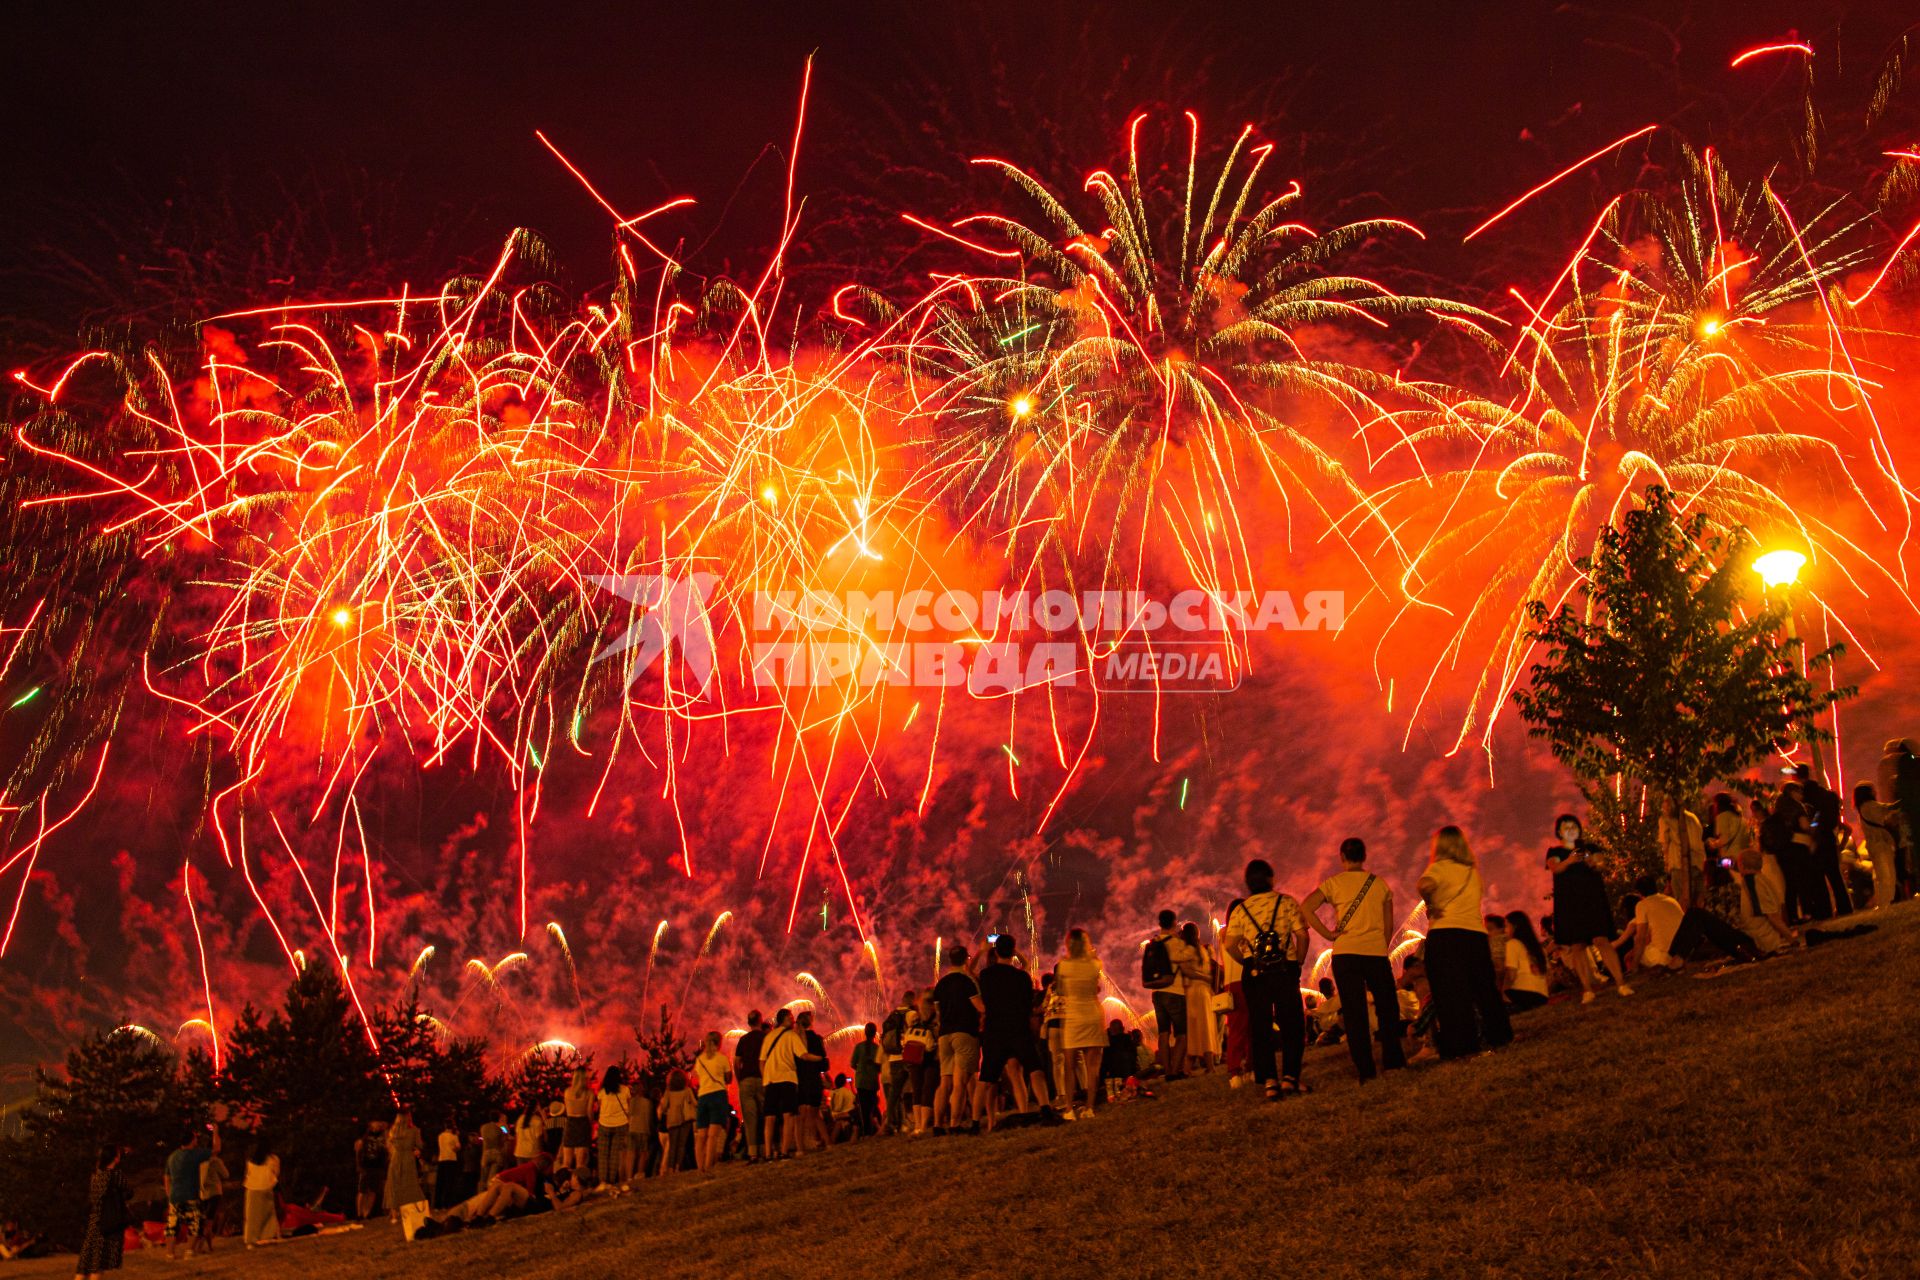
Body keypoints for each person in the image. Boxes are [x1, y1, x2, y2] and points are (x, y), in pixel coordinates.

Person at [1302, 837, 1406, 1082]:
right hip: (1375, 953)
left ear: (1342, 857)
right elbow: (1388, 923)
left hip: (1346, 954)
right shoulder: (1379, 885)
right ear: (1364, 856)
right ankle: (1393, 1061)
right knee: (1387, 1008)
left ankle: (1365, 1069)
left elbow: (1306, 907)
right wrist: (1382, 945)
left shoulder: (1334, 883)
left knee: (1354, 1012)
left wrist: (1328, 934)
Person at [1419, 826, 1514, 1058]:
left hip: (1446, 936)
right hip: (1476, 935)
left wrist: (1430, 903)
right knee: (1485, 990)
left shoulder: (1438, 868)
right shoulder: (1473, 873)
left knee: (1452, 995)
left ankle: (1462, 1046)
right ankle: (1500, 1037)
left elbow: (1424, 885)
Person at [1222, 858, 1309, 1100]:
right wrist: (1298, 961)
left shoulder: (1240, 910)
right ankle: (1291, 1077)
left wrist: (1246, 960)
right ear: (1271, 879)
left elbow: (1229, 944)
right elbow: (1302, 935)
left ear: (1248, 883)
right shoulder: (1286, 902)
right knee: (1292, 1024)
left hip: (1254, 972)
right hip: (1285, 969)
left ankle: (1270, 1081)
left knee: (1260, 1027)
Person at [1544, 814, 1634, 1003]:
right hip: (1570, 903)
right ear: (1559, 832)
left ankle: (1621, 983)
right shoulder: (1554, 852)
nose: (1571, 830)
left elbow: (1601, 865)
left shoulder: (1590, 848)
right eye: (1566, 827)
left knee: (1602, 940)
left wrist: (1591, 861)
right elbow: (1555, 868)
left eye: (1574, 826)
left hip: (1592, 899)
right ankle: (1587, 989)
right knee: (1577, 945)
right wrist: (1570, 860)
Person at [973, 933, 1055, 1128]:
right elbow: (1027, 1000)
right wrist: (1015, 951)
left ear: (995, 951)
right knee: (1034, 1069)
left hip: (995, 1031)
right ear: (1012, 951)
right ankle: (1045, 1109)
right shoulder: (1021, 977)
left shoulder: (986, 975)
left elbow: (970, 971)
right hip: (1018, 1029)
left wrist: (982, 951)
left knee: (985, 1079)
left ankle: (975, 1122)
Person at [1620, 875, 1766, 968]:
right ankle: (1744, 944)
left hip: (1670, 952)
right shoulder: (1669, 899)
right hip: (1685, 946)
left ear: (1640, 893)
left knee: (1695, 914)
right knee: (1695, 914)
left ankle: (1678, 960)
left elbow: (1640, 939)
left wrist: (1633, 965)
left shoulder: (1642, 905)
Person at [1054, 928, 1107, 1119]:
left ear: (1068, 944)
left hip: (1073, 1015)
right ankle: (1090, 1107)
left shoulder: (1063, 966)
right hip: (1092, 1014)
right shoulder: (1095, 964)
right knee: (1092, 1066)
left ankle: (1069, 1109)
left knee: (1069, 1066)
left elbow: (1060, 990)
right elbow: (1095, 987)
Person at [931, 946, 985, 1133]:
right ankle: (954, 1124)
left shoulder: (940, 984)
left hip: (945, 1035)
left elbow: (938, 1014)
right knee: (960, 1082)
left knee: (944, 1082)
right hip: (964, 1033)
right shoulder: (967, 981)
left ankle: (937, 1125)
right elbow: (980, 1007)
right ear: (966, 959)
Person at [759, 1007, 818, 1158]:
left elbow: (762, 1062)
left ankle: (767, 1154)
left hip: (770, 1080)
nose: (793, 1020)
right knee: (788, 1116)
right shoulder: (791, 1035)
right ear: (785, 1018)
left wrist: (765, 1079)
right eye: (791, 1017)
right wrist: (819, 1058)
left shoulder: (769, 1036)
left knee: (769, 1117)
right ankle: (784, 1152)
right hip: (787, 1078)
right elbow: (803, 1055)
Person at [1142, 909, 1193, 1079]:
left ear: (1159, 923)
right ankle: (1174, 1071)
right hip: (1175, 991)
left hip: (1157, 992)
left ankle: (1166, 1069)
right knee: (1182, 1033)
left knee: (1163, 1033)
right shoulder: (1177, 943)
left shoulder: (1153, 943)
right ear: (1174, 922)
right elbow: (1186, 967)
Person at [1797, 765, 1850, 919]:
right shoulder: (1827, 794)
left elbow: (1815, 817)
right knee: (1835, 877)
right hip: (1829, 838)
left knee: (1818, 879)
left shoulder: (1806, 797)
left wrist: (1812, 830)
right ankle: (1844, 907)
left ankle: (1824, 911)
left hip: (1816, 841)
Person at [75, 1144, 129, 1279]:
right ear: (115, 1158)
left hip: (94, 1222)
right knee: (97, 1265)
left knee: (85, 1264)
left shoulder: (96, 1176)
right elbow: (128, 1193)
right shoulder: (116, 1175)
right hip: (108, 1223)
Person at [163, 1127, 215, 1260]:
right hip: (190, 1195)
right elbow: (217, 1150)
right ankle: (189, 1251)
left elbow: (167, 1177)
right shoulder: (194, 1154)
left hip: (175, 1196)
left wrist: (169, 1194)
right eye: (196, 1138)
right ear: (192, 1140)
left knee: (172, 1225)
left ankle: (170, 1253)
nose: (197, 1139)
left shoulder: (172, 1156)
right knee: (194, 1223)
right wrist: (217, 1132)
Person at [1217, 900, 1251, 1086]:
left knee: (1236, 1030)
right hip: (1245, 981)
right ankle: (1249, 1068)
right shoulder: (1243, 930)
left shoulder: (1223, 933)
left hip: (1230, 985)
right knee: (1252, 1027)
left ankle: (1234, 1071)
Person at [1178, 920, 1217, 1072]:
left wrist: (1201, 977)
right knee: (1206, 1026)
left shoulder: (1187, 951)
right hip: (1205, 992)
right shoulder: (1203, 950)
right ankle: (1208, 1065)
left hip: (1194, 991)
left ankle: (1193, 1067)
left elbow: (1186, 971)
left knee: (1195, 1028)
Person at [1856, 783, 1901, 910]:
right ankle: (1886, 902)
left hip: (1874, 845)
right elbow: (1888, 809)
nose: (1875, 792)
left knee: (1880, 875)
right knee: (1886, 874)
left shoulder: (1862, 808)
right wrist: (1904, 800)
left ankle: (1883, 902)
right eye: (1872, 790)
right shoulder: (1870, 806)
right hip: (1880, 844)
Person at [693, 1031, 733, 1172]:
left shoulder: (700, 1060)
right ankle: (709, 1166)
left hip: (703, 1096)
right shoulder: (722, 1059)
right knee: (712, 1135)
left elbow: (697, 1077)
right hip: (718, 1095)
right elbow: (729, 1079)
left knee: (701, 1135)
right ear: (719, 1043)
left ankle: (700, 1167)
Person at [1659, 795, 1709, 909]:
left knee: (1681, 905)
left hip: (1678, 864)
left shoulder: (1666, 820)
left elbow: (1665, 844)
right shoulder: (1693, 818)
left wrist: (1667, 866)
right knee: (1698, 904)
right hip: (1698, 864)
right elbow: (1698, 843)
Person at [903, 991, 940, 1135]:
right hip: (931, 1057)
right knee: (928, 1090)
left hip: (914, 1056)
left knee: (917, 1090)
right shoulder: (937, 1016)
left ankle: (918, 1125)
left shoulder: (914, 1017)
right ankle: (923, 1126)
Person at [794, 1010, 832, 1152]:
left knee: (799, 1118)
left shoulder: (795, 1039)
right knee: (816, 1115)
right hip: (815, 1080)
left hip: (800, 1080)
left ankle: (800, 1149)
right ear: (811, 1023)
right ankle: (827, 1143)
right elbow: (823, 1060)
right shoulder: (817, 1039)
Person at [734, 1010, 768, 1163]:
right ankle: (765, 1149)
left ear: (748, 1022)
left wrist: (739, 1079)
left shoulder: (743, 1040)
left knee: (750, 1118)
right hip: (762, 1079)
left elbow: (736, 1062)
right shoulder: (766, 1038)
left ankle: (752, 1153)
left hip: (746, 1080)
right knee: (765, 1115)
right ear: (760, 1021)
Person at [1500, 911, 1552, 1011]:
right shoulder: (1539, 948)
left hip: (1522, 994)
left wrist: (1504, 992)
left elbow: (1511, 974)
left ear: (1515, 927)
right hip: (1542, 997)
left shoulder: (1512, 944)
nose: (1504, 930)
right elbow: (1549, 976)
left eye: (1506, 926)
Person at [880, 994, 914, 1136]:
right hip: (908, 1055)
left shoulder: (892, 1015)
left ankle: (889, 1123)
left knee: (894, 1093)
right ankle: (912, 1121)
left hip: (893, 1058)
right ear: (912, 1000)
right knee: (912, 1091)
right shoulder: (911, 1014)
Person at [385, 1107, 425, 1221]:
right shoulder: (414, 1130)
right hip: (408, 1158)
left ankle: (394, 1215)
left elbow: (389, 1145)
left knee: (395, 1185)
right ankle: (410, 1210)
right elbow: (419, 1145)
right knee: (409, 1184)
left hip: (396, 1159)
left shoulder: (393, 1130)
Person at [594, 1066, 632, 1185]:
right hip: (621, 1124)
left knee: (603, 1154)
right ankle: (611, 1180)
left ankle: (603, 1181)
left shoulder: (602, 1091)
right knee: (615, 1154)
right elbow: (629, 1108)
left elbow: (599, 1107)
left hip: (605, 1124)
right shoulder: (625, 1090)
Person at [241, 1137, 281, 1248]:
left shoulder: (250, 1160)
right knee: (268, 1214)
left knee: (252, 1216)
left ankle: (251, 1240)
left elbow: (247, 1174)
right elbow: (276, 1173)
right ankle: (267, 1236)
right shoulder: (273, 1159)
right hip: (266, 1188)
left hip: (252, 1188)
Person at [849, 1022, 883, 1136]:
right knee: (872, 1106)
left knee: (863, 1108)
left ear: (865, 1033)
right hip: (872, 1082)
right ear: (874, 1034)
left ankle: (866, 1132)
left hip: (861, 1081)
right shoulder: (877, 1048)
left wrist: (860, 1069)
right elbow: (880, 1067)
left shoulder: (859, 1047)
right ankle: (873, 1129)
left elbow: (852, 1064)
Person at [558, 1067, 592, 1170]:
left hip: (570, 1123)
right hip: (583, 1123)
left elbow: (567, 1109)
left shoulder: (567, 1092)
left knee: (566, 1162)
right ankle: (578, 1184)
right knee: (580, 1163)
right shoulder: (588, 1093)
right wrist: (590, 1126)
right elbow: (589, 1112)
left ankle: (563, 1182)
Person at [433, 1119, 462, 1210]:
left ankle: (437, 1205)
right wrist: (457, 1136)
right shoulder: (454, 1136)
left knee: (440, 1182)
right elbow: (457, 1148)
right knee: (450, 1183)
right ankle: (447, 1204)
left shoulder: (440, 1136)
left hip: (442, 1159)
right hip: (451, 1159)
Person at [828, 1073, 859, 1142]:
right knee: (843, 1123)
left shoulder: (833, 1092)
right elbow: (854, 1101)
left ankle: (831, 1141)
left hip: (838, 1115)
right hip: (848, 1114)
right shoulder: (847, 1092)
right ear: (844, 1082)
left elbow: (835, 1107)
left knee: (840, 1123)